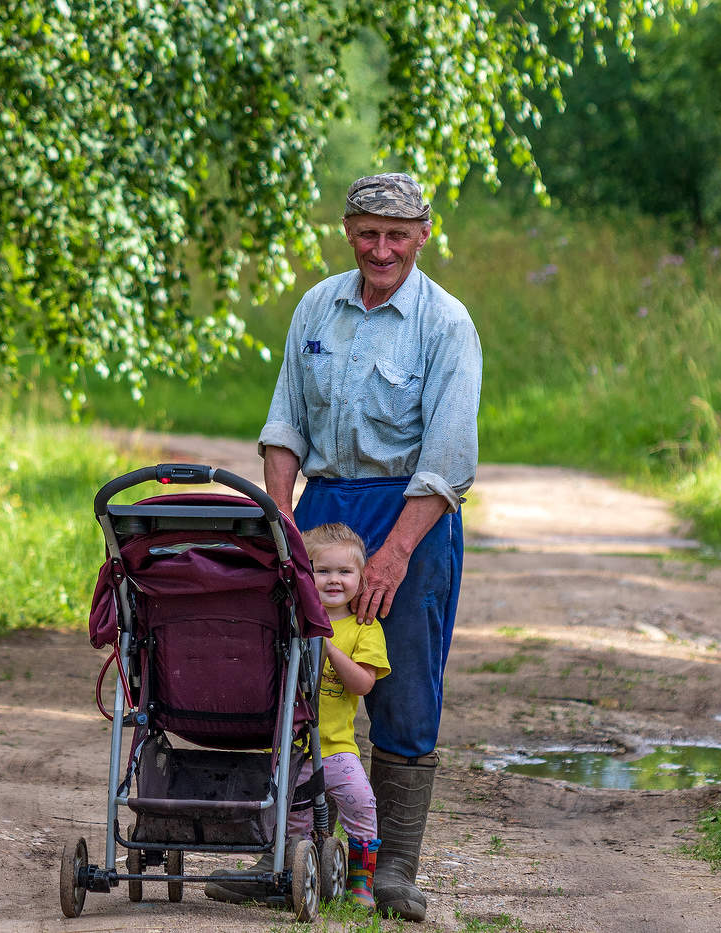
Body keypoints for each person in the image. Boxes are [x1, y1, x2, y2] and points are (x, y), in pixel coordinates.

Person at [249, 172, 481, 921]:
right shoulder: (318, 305)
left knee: (403, 684)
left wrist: (395, 552)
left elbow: (448, 456)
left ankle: (391, 869)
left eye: (396, 235)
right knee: (301, 675)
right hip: (327, 506)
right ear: (348, 230)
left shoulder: (446, 324)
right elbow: (285, 423)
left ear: (423, 234)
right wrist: (281, 519)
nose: (381, 249)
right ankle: (292, 854)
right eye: (367, 232)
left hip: (411, 512)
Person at [285, 523, 390, 907]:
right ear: (304, 575)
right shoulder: (290, 624)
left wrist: (327, 643)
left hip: (336, 747)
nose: (333, 580)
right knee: (295, 820)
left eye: (344, 572)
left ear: (362, 580)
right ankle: (300, 876)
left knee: (361, 802)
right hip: (292, 748)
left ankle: (361, 880)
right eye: (322, 570)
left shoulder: (365, 629)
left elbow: (363, 684)